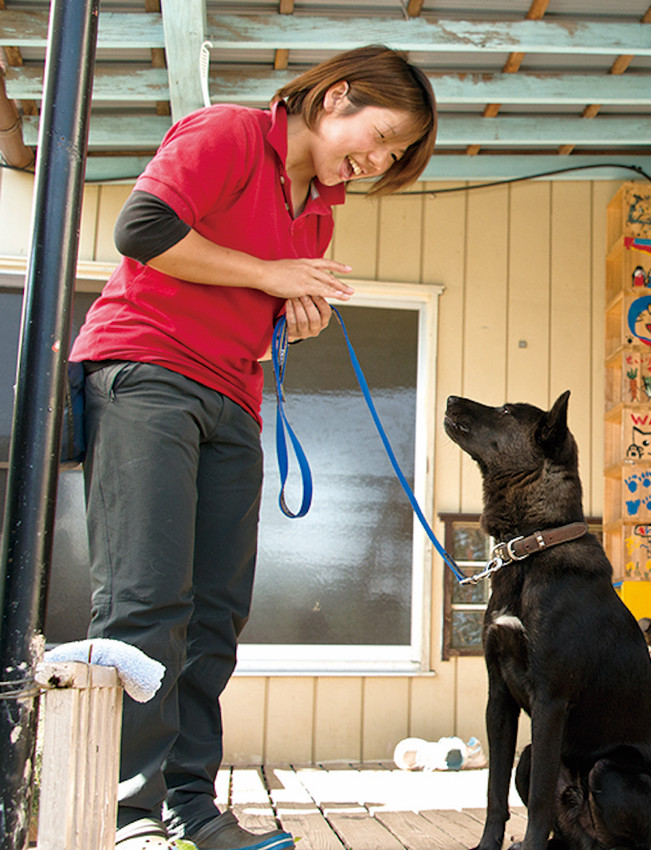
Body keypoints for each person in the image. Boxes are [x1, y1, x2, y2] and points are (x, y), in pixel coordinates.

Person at [69, 45, 437, 850]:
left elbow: (249, 302)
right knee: (147, 600)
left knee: (215, 614)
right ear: (336, 97)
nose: (377, 161)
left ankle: (189, 809)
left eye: (395, 156)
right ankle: (130, 814)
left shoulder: (321, 208)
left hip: (233, 395)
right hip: (148, 371)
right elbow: (142, 230)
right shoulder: (229, 134)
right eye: (379, 138)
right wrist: (272, 275)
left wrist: (287, 321)